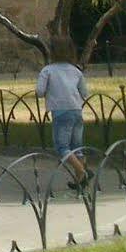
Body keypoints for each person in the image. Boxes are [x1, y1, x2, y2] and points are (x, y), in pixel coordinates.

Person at [37, 36, 91, 188]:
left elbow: (40, 91)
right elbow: (85, 92)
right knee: (77, 146)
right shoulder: (76, 71)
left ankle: (82, 171)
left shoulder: (47, 71)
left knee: (62, 147)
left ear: (52, 52)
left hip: (60, 111)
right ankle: (80, 180)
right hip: (76, 109)